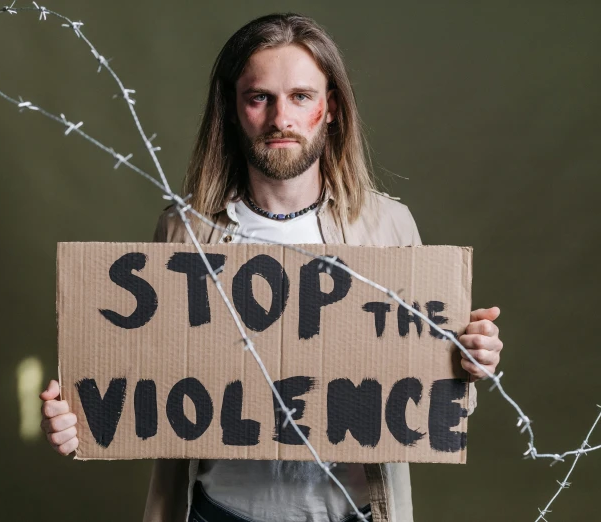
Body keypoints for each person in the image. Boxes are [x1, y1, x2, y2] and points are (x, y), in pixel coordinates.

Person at [39, 13, 504, 522]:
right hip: (219, 512)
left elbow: (427, 398)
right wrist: (79, 416)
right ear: (234, 110)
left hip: (350, 513)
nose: (281, 118)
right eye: (260, 97)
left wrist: (467, 367)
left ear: (330, 110)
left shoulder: (389, 227)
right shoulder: (184, 230)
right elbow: (146, 376)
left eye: (301, 96)